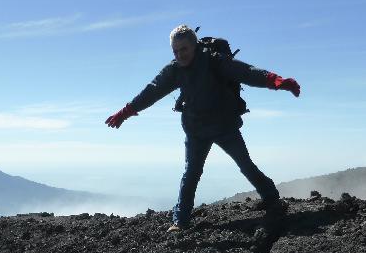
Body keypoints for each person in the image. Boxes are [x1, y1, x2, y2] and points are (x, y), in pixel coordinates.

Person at [105, 24, 300, 232]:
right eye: (175, 51)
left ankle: (272, 199)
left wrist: (276, 81)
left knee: (245, 165)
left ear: (195, 46)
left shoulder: (214, 61)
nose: (180, 55)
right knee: (191, 173)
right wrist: (126, 112)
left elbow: (246, 72)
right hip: (196, 129)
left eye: (184, 49)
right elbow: (151, 92)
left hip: (224, 126)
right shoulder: (174, 70)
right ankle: (180, 222)